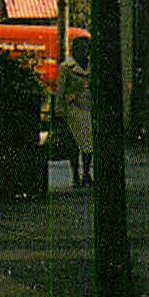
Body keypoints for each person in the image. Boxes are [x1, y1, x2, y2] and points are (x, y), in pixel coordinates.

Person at [54, 36, 93, 187]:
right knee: (75, 144)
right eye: (81, 48)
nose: (84, 52)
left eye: (86, 48)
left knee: (88, 144)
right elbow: (60, 90)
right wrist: (59, 111)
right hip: (73, 109)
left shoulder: (92, 66)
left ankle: (86, 173)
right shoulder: (66, 67)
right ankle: (76, 174)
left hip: (88, 108)